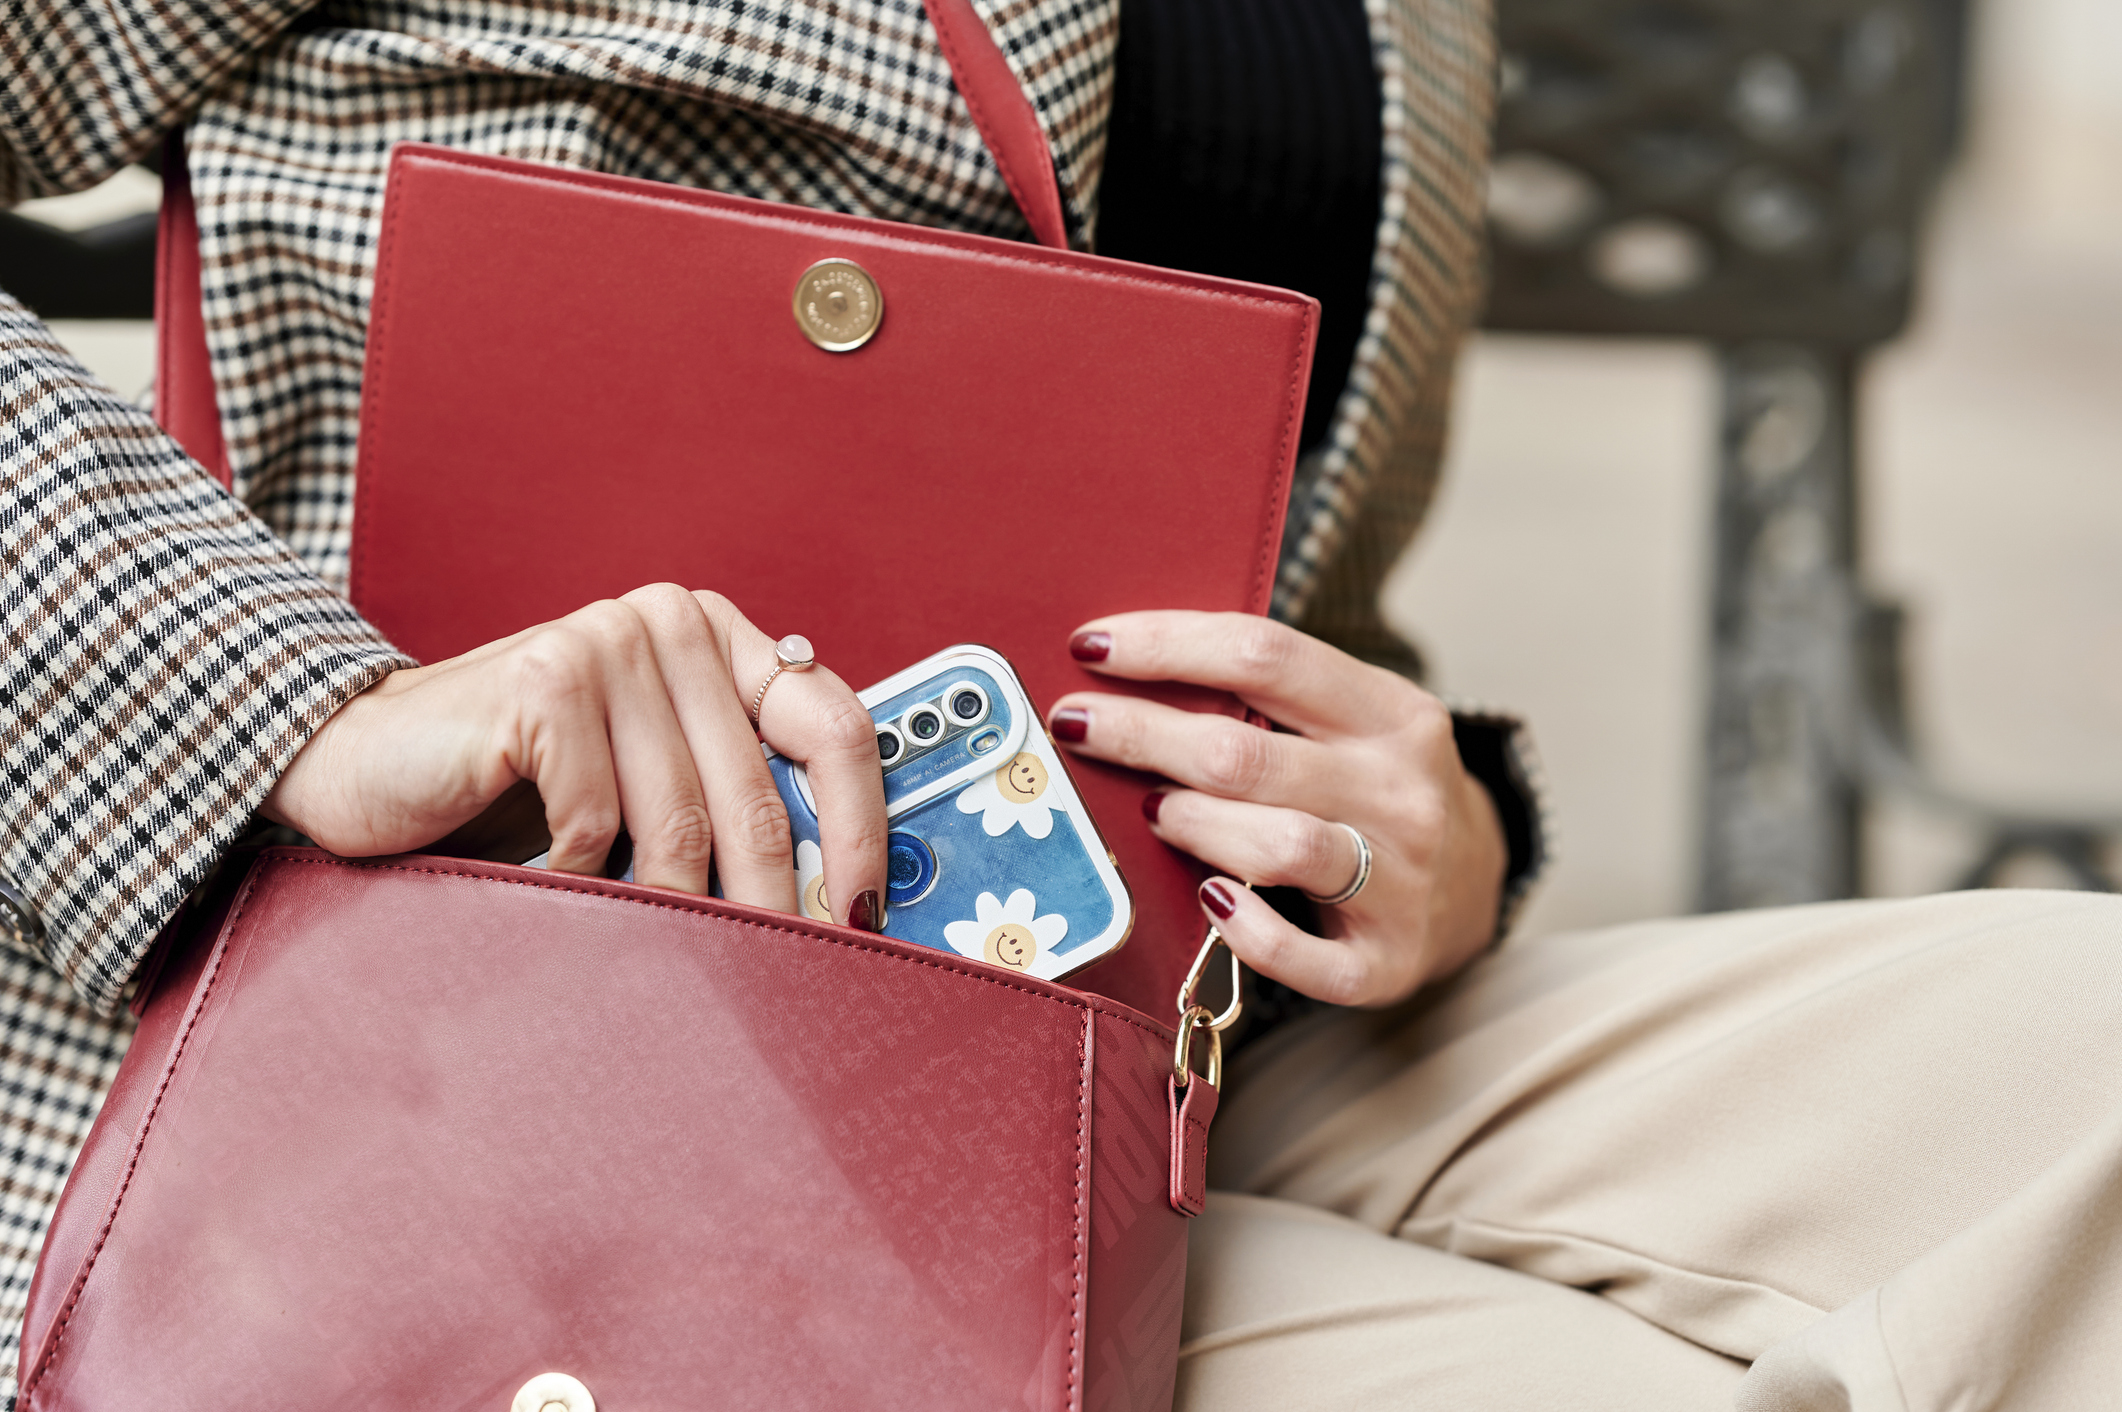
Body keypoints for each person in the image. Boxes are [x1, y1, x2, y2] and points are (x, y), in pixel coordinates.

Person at [0, 4, 2116, 1411]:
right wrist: (283, 705)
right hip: (479, 1093)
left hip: (1176, 1040)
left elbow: (1197, 572)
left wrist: (1433, 811)